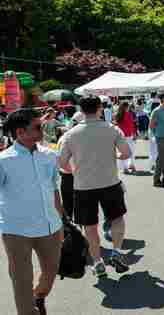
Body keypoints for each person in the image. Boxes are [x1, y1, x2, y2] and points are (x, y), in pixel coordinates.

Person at [58, 96, 131, 278]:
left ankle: (98, 262)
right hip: (109, 182)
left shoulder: (71, 134)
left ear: (81, 110)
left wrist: (74, 171)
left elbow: (61, 161)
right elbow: (126, 153)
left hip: (83, 185)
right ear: (100, 108)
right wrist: (112, 156)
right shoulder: (112, 129)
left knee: (89, 226)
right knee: (116, 218)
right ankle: (116, 252)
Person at [1, 109, 64, 315]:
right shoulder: (4, 161)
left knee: (51, 270)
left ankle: (38, 296)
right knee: (21, 279)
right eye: (37, 127)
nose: (42, 129)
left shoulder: (49, 155)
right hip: (16, 230)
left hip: (50, 226)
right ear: (20, 132)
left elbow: (54, 188)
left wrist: (62, 220)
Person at [114, 101, 137, 174]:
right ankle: (132, 165)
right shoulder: (128, 114)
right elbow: (131, 125)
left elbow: (116, 125)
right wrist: (134, 133)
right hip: (128, 135)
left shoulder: (117, 115)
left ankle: (125, 168)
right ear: (126, 107)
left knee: (122, 152)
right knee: (131, 151)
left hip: (120, 136)